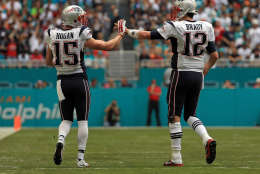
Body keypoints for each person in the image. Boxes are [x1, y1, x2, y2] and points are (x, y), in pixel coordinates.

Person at [126, 0, 218, 166]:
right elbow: (215, 56)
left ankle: (176, 157)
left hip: (181, 73)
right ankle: (207, 138)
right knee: (190, 114)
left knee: (174, 115)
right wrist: (203, 71)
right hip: (197, 75)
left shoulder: (176, 26)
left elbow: (149, 35)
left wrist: (128, 31)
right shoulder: (207, 26)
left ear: (183, 10)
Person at [45, 5, 126, 167]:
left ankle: (61, 140)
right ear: (74, 18)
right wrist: (120, 35)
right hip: (79, 80)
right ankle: (80, 159)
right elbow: (107, 46)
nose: (83, 19)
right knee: (82, 121)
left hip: (62, 81)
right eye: (80, 17)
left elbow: (48, 62)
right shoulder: (80, 32)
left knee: (66, 120)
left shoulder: (51, 33)